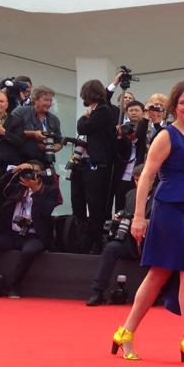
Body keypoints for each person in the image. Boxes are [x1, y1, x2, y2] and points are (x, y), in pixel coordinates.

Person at [111, 81, 184, 366]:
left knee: (159, 274)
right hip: (170, 208)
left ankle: (124, 332)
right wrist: (139, 216)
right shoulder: (168, 135)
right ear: (174, 107)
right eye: (183, 102)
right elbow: (147, 176)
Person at [0, 162, 59, 299]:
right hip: (12, 233)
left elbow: (46, 212)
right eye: (29, 171)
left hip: (34, 235)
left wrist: (35, 193)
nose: (31, 175)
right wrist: (13, 173)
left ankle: (12, 286)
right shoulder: (18, 187)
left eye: (34, 172)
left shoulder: (49, 191)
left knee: (28, 252)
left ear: (41, 174)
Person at [86, 164, 151, 306]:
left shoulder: (161, 197)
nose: (139, 183)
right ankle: (98, 292)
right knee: (111, 248)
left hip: (152, 243)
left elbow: (164, 222)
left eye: (142, 179)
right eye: (136, 180)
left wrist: (142, 221)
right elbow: (126, 216)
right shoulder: (130, 195)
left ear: (152, 180)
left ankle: (156, 294)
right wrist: (121, 218)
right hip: (131, 240)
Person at [76, 80, 118, 254]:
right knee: (78, 201)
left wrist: (84, 117)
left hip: (97, 164)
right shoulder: (97, 110)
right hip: (83, 163)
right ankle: (81, 237)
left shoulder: (102, 111)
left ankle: (94, 241)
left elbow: (83, 128)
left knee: (95, 204)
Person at [6, 86, 62, 165]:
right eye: (46, 100)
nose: (49, 103)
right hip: (20, 161)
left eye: (51, 100)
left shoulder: (54, 119)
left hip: (44, 163)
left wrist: (52, 148)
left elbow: (59, 141)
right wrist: (33, 134)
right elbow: (10, 132)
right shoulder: (20, 112)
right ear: (35, 99)